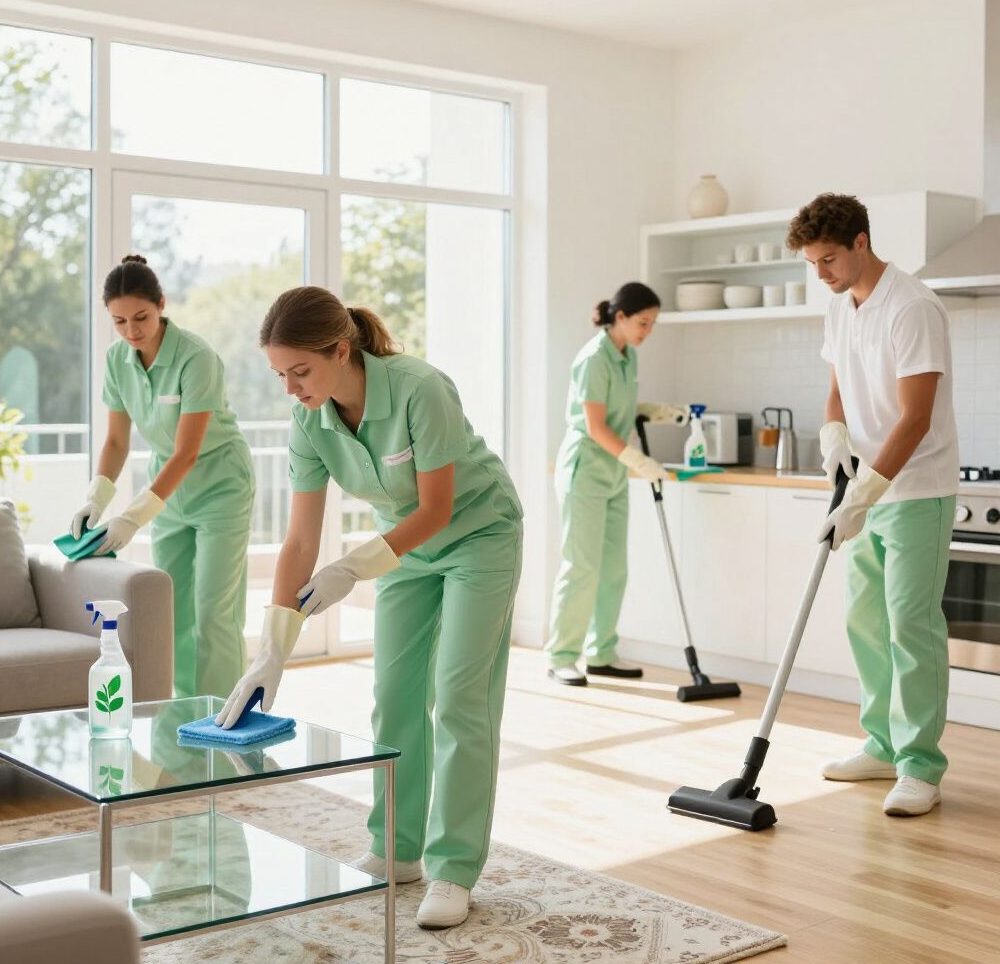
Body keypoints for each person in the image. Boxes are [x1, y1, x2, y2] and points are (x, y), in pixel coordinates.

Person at [215, 287, 523, 930]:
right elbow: (300, 540)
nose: (291, 389)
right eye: (280, 374)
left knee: (460, 693)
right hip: (405, 552)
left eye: (301, 371)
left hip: (477, 536)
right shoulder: (311, 421)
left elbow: (437, 510)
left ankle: (453, 868)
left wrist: (352, 567)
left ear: (341, 349)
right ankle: (395, 848)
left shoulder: (420, 389)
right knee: (395, 694)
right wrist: (272, 649)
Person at [786, 193, 957, 817]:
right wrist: (834, 435)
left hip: (915, 489)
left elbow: (915, 419)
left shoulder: (911, 306)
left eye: (828, 259)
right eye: (812, 263)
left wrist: (867, 492)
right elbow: (837, 389)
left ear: (861, 242)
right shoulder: (843, 307)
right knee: (866, 621)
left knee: (911, 627)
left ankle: (919, 765)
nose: (821, 273)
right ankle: (883, 745)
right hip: (867, 486)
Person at [70, 254, 255, 699]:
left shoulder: (196, 358)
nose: (132, 331)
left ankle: (225, 719)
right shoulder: (118, 360)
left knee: (215, 611)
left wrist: (132, 518)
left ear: (161, 305)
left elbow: (187, 451)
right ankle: (183, 716)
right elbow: (117, 441)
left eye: (141, 317)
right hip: (168, 493)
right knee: (171, 611)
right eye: (119, 321)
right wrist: (96, 500)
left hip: (220, 487)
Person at [545, 281, 687, 687]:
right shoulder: (594, 358)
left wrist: (658, 412)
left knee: (614, 570)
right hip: (585, 471)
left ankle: (602, 652)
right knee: (581, 566)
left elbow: (616, 408)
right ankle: (561, 656)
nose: (648, 331)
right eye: (643, 322)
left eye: (653, 324)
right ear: (620, 317)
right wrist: (640, 461)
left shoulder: (627, 357)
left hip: (613, 474)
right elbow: (595, 425)